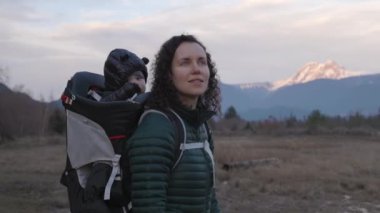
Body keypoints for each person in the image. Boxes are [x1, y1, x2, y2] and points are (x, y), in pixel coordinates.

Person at [126, 34, 221, 212]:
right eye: (185, 62)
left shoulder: (200, 125)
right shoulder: (156, 129)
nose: (196, 69)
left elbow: (210, 198)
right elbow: (149, 207)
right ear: (168, 74)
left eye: (202, 62)